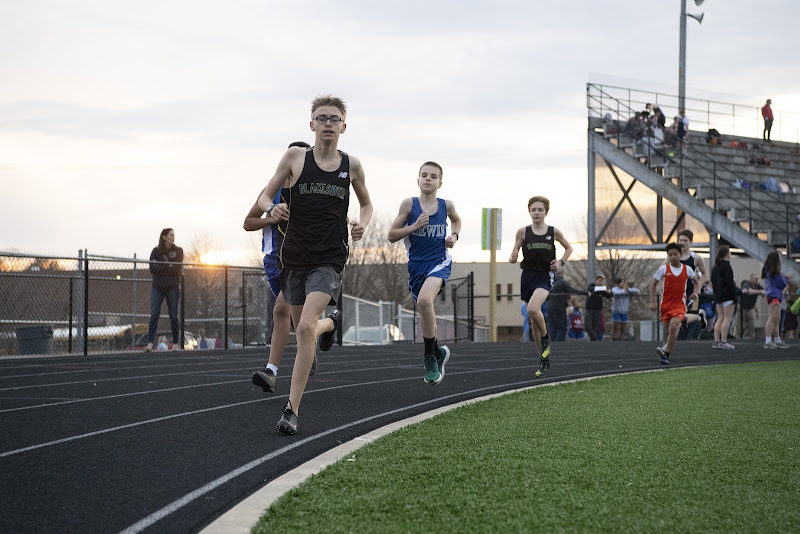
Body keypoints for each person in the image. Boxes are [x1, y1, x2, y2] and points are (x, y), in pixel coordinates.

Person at [256, 95, 373, 435]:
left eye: (334, 119)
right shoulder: (295, 157)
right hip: (294, 257)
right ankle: (330, 325)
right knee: (303, 329)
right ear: (311, 125)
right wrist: (271, 208)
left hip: (329, 258)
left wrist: (362, 224)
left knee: (304, 328)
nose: (327, 124)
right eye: (321, 118)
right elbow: (265, 194)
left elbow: (367, 204)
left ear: (343, 127)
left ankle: (291, 410)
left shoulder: (351, 166)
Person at [246, 141, 322, 395]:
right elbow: (247, 223)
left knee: (282, 310)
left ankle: (271, 371)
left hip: (301, 261)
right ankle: (312, 345)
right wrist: (271, 216)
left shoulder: (313, 190)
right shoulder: (271, 190)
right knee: (298, 319)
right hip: (274, 261)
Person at [388, 161, 461, 384]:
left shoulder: (445, 205)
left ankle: (429, 358)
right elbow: (391, 235)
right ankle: (439, 352)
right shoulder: (409, 205)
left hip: (439, 262)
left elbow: (456, 220)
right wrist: (414, 226)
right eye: (424, 175)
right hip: (416, 266)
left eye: (433, 176)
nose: (428, 179)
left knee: (424, 302)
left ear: (440, 182)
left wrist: (454, 237)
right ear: (418, 180)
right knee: (424, 309)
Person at [509, 196, 573, 377]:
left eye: (540, 210)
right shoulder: (522, 232)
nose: (536, 213)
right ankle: (543, 359)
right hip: (527, 276)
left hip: (544, 276)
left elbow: (569, 248)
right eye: (533, 210)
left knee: (532, 308)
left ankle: (546, 341)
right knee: (533, 322)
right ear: (529, 212)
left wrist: (561, 262)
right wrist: (512, 258)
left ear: (546, 212)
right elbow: (513, 255)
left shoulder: (554, 232)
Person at [649, 243, 702, 364]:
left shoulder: (687, 269)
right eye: (670, 255)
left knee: (673, 328)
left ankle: (666, 354)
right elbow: (652, 285)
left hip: (679, 305)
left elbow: (696, 282)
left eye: (675, 254)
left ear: (680, 255)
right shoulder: (664, 269)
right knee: (669, 332)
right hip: (666, 305)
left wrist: (696, 292)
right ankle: (670, 343)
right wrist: (652, 302)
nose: (673, 257)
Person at [146, 228, 183, 352]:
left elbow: (177, 268)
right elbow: (152, 268)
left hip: (172, 286)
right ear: (164, 237)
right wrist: (168, 266)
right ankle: (150, 343)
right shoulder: (155, 251)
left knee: (173, 316)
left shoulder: (178, 251)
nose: (173, 237)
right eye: (171, 235)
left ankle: (176, 343)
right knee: (154, 314)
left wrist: (160, 265)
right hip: (158, 286)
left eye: (174, 235)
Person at [762, 251, 792, 349]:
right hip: (774, 296)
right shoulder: (774, 272)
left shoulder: (769, 271)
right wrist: (786, 278)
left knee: (776, 319)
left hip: (773, 295)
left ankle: (777, 339)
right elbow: (781, 284)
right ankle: (768, 340)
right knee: (772, 318)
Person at [710, 245, 737, 349]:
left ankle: (716, 341)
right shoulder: (726, 266)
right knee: (727, 318)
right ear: (726, 253)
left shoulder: (715, 267)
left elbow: (713, 282)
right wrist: (734, 296)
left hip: (718, 296)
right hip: (727, 296)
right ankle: (724, 341)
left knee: (720, 317)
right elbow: (730, 283)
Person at [547, 272, 585, 342]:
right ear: (561, 275)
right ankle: (558, 344)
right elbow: (571, 290)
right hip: (559, 308)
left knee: (552, 328)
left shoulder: (551, 284)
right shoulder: (562, 282)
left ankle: (553, 344)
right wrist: (585, 292)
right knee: (561, 328)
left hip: (550, 308)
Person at [734, 274, 763, 339]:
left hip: (750, 307)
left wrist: (757, 312)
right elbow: (750, 291)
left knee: (751, 324)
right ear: (751, 279)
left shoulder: (757, 286)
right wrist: (760, 292)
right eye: (755, 279)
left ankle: (747, 336)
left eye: (757, 279)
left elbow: (764, 291)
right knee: (740, 323)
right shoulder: (747, 284)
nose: (757, 280)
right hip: (742, 306)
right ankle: (738, 337)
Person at [585, 275, 611, 341]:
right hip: (589, 309)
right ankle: (594, 338)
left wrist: (609, 292)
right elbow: (592, 290)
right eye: (599, 280)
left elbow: (608, 295)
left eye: (602, 281)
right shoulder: (591, 286)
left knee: (594, 327)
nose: (601, 282)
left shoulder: (602, 289)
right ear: (595, 281)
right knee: (587, 326)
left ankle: (593, 342)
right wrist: (604, 289)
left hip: (598, 310)